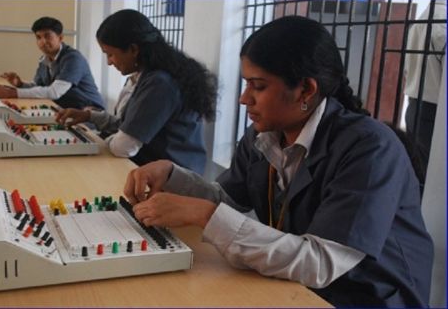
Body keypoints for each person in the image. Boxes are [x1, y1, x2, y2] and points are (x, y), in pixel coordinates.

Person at [124, 16, 433, 307]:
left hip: (364, 295)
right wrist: (172, 175)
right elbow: (229, 199)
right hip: (298, 284)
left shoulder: (369, 148)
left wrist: (205, 215)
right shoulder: (265, 135)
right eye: (246, 84)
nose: (245, 98)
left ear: (306, 90)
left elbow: (321, 263)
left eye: (258, 86)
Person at [56, 10, 217, 174]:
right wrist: (90, 116)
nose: (109, 62)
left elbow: (123, 147)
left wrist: (99, 141)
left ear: (133, 49)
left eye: (110, 54)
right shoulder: (143, 76)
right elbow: (129, 125)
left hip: (168, 181)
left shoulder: (160, 83)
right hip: (146, 169)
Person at [0, 17, 105, 110]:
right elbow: (39, 87)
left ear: (60, 37)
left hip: (89, 115)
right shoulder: (44, 60)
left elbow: (54, 92)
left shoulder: (73, 58)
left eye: (47, 36)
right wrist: (20, 84)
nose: (42, 42)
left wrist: (13, 93)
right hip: (64, 112)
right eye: (38, 37)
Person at [404, 0, 446, 184]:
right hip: (435, 112)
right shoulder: (442, 21)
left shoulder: (421, 20)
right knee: (435, 177)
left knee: (420, 172)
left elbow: (407, 70)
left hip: (415, 105)